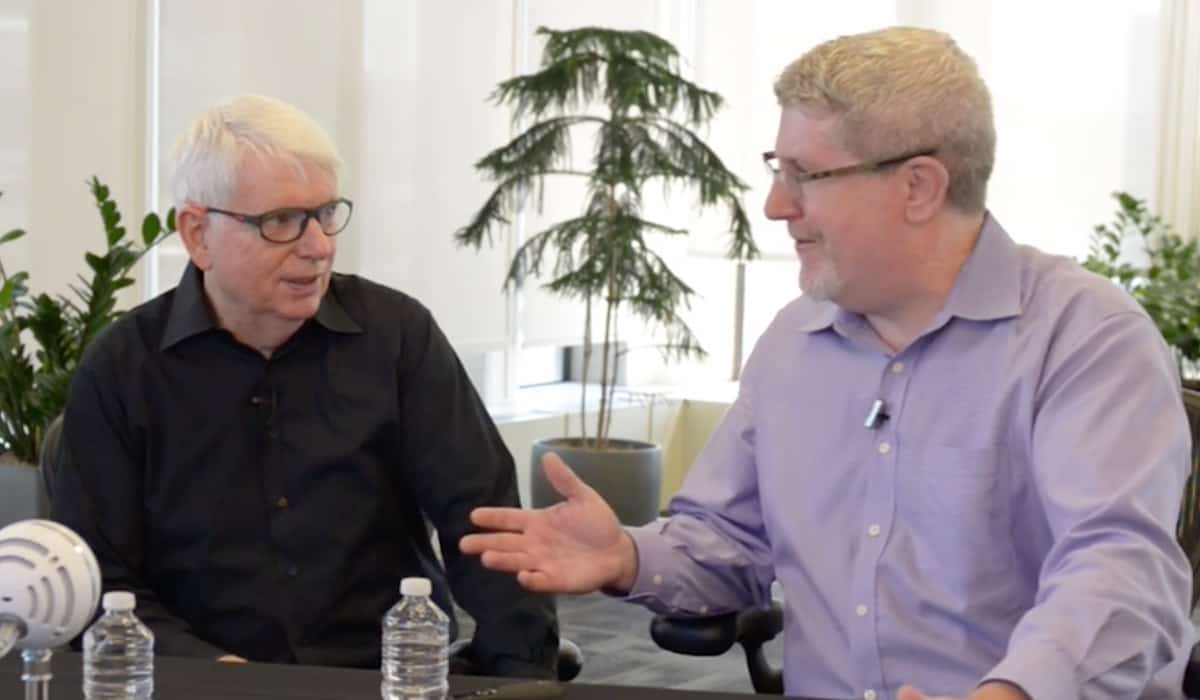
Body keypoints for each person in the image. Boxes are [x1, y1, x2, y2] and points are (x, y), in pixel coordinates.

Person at [460, 26, 1195, 699]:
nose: (777, 205)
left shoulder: (1086, 338)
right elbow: (731, 544)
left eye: (806, 175)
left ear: (919, 186)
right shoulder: (793, 343)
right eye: (778, 169)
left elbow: (1120, 573)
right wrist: (626, 554)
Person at [50, 94, 558, 677]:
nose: (317, 246)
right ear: (197, 234)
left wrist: (519, 673)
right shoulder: (122, 370)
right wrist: (226, 676)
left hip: (385, 675)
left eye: (325, 213)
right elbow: (99, 584)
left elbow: (485, 524)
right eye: (281, 222)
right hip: (204, 681)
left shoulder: (396, 337)